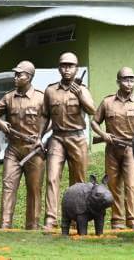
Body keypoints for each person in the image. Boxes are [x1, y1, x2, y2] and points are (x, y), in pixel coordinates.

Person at [43, 52, 96, 230]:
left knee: (78, 183)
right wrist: (38, 136)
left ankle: (76, 220)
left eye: (70, 66)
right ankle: (50, 220)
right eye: (64, 65)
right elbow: (45, 117)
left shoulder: (83, 89)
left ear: (76, 69)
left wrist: (80, 94)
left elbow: (92, 110)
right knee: (51, 178)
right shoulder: (50, 90)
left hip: (77, 138)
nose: (67, 69)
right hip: (57, 138)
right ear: (59, 68)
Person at [0, 60, 48, 229]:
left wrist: (41, 137)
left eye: (19, 74)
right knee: (8, 185)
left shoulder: (41, 97)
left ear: (29, 77)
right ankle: (5, 224)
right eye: (15, 74)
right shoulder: (9, 97)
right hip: (13, 149)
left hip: (34, 150)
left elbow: (52, 119)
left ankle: (32, 225)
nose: (15, 77)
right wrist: (0, 123)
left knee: (34, 189)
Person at [91, 67, 134, 230]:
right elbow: (94, 121)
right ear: (118, 81)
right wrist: (103, 134)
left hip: (131, 148)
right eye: (125, 80)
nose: (129, 83)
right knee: (114, 185)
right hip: (112, 149)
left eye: (132, 80)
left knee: (131, 185)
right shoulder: (107, 102)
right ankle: (117, 221)